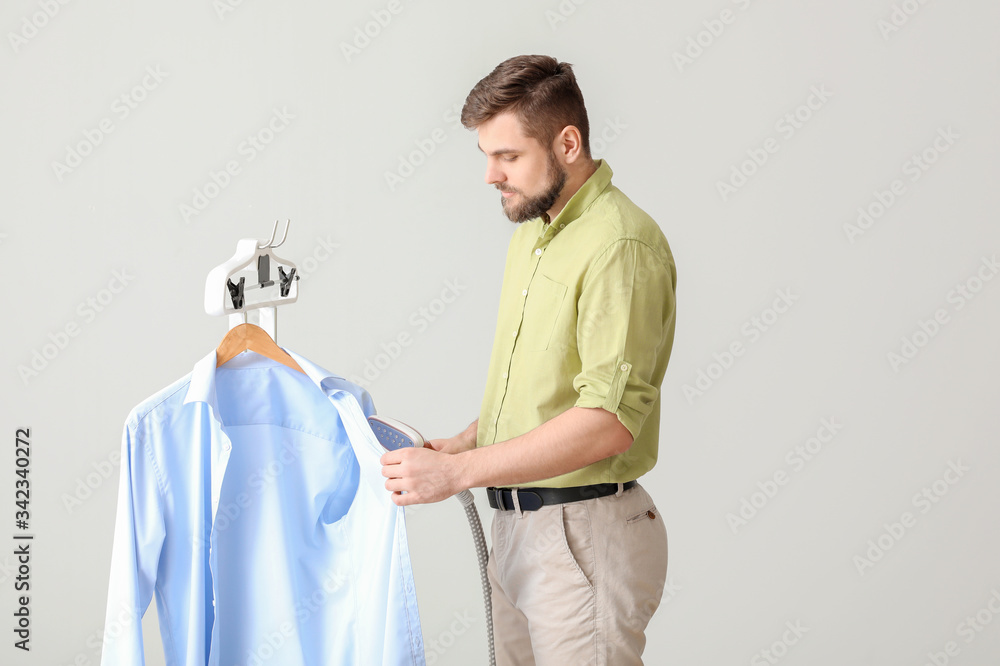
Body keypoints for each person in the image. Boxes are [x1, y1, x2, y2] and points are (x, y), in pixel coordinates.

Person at [380, 54, 677, 665]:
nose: (490, 175)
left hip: (582, 535)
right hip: (517, 529)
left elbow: (607, 420)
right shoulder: (533, 237)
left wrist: (459, 476)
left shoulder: (618, 244)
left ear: (567, 143)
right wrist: (463, 445)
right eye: (486, 156)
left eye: (507, 156)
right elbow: (545, 396)